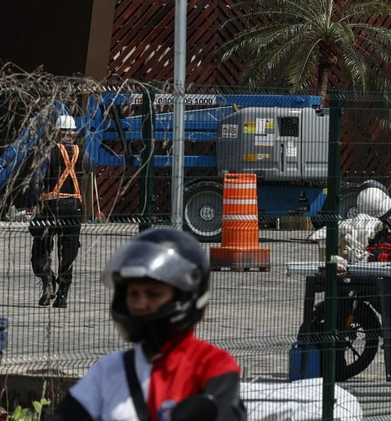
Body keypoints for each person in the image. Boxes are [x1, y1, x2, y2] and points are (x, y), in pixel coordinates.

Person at [50, 228, 245, 421]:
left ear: (185, 297)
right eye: (133, 294)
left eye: (153, 294)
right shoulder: (109, 372)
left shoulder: (211, 366)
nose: (139, 305)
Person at [24, 113, 92, 308]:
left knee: (41, 247)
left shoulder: (48, 152)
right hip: (74, 209)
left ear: (56, 132)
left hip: (50, 208)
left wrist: (30, 201)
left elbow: (37, 179)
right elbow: (88, 170)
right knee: (68, 251)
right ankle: (62, 296)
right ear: (73, 133)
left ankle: (47, 283)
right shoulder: (83, 154)